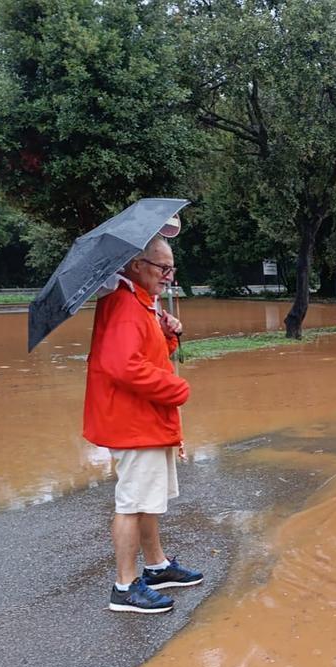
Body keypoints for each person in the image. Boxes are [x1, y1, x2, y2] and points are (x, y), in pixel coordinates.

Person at [84, 236, 203, 613]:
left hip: (146, 421)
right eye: (162, 268)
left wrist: (169, 334)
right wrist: (175, 388)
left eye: (171, 269)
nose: (168, 276)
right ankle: (124, 587)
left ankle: (156, 567)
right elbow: (121, 366)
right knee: (132, 504)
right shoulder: (123, 303)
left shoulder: (141, 303)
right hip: (133, 423)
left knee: (148, 500)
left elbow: (146, 355)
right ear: (136, 266)